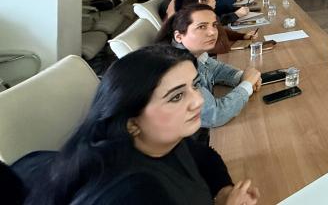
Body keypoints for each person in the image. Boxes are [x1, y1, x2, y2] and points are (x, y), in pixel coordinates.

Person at [26, 45, 259, 205]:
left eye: (195, 85)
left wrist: (224, 191)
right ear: (132, 123)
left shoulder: (161, 141)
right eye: (176, 97)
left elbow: (204, 156)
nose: (198, 100)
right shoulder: (132, 193)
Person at [157, 5, 262, 128]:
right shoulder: (177, 70)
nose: (212, 32)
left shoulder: (196, 53)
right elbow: (215, 115)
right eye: (201, 27)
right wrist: (247, 84)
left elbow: (217, 70)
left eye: (214, 25)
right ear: (179, 36)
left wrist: (243, 77)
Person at [166, 0, 254, 55]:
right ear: (201, 1)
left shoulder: (203, 15)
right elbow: (221, 48)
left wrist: (242, 36)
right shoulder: (191, 21)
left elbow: (220, 31)